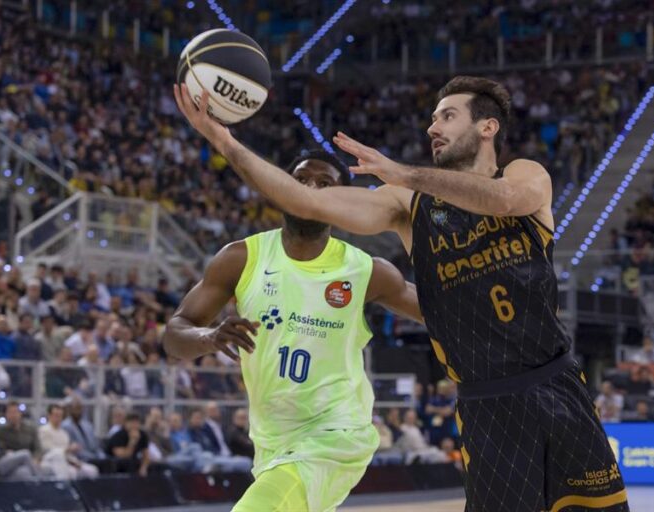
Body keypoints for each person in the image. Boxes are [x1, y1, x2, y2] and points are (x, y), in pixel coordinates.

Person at [174, 75, 629, 511]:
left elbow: (504, 200)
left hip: (557, 383)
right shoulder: (405, 205)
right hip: (487, 402)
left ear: (487, 127)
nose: (433, 127)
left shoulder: (525, 173)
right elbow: (305, 200)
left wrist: (404, 173)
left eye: (447, 116)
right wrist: (225, 142)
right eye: (432, 118)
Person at [163, 149, 423, 512]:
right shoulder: (241, 258)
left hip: (336, 434)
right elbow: (174, 335)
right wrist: (209, 337)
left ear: (341, 202)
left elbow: (442, 315)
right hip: (272, 439)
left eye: (324, 184)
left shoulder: (366, 271)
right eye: (300, 181)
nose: (311, 189)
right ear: (281, 188)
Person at [39, 404, 99, 479]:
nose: (58, 418)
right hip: (50, 460)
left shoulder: (64, 433)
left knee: (92, 470)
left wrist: (75, 462)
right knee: (70, 470)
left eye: (60, 416)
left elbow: (68, 454)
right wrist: (67, 449)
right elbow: (47, 449)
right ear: (49, 415)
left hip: (66, 460)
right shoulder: (44, 430)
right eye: (56, 415)